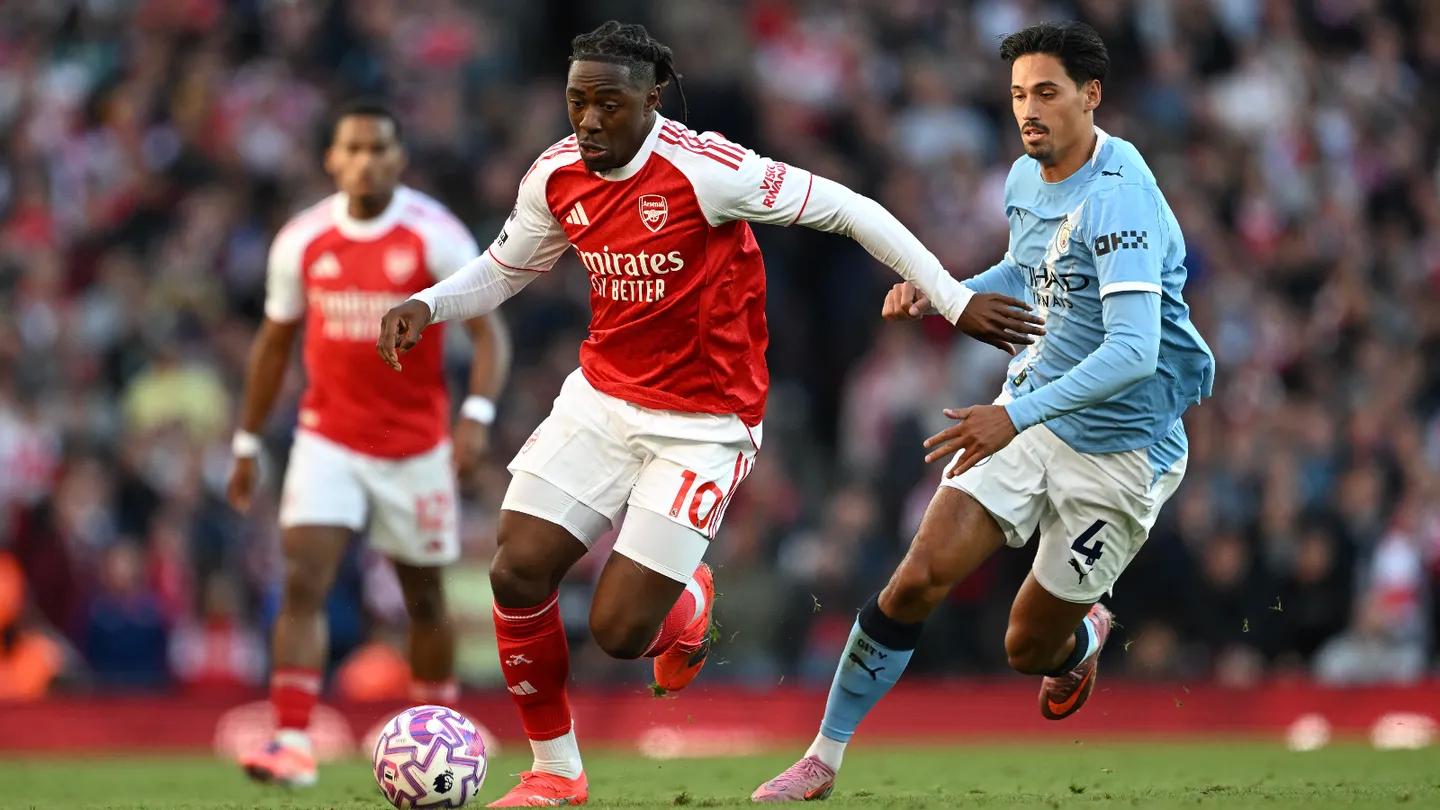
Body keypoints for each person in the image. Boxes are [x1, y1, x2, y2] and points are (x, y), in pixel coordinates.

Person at [377, 21, 1042, 807]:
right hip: (602, 398)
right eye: (577, 101)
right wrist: (428, 303)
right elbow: (507, 265)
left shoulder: (707, 171)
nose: (589, 120)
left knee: (621, 633)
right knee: (515, 569)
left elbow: (852, 209)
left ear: (651, 99)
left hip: (704, 424)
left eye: (609, 104)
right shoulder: (555, 174)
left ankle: (686, 601)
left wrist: (952, 299)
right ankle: (555, 771)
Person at [752, 21, 1216, 802]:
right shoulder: (1026, 178)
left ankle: (1083, 639)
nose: (1028, 110)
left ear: (1090, 96)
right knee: (916, 578)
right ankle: (822, 758)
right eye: (1018, 94)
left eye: (1046, 93)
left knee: (1028, 647)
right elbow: (1028, 273)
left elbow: (1136, 351)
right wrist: (944, 294)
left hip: (1123, 451)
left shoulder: (1121, 200)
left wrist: (1016, 417)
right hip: (1034, 410)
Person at [228, 100, 510, 788]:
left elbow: (489, 333)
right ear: (332, 159)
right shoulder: (302, 239)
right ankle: (292, 742)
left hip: (415, 447)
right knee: (303, 580)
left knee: (424, 600)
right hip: (327, 438)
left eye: (378, 148)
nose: (365, 161)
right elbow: (274, 344)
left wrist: (475, 415)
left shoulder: (434, 235)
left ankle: (440, 733)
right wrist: (246, 440)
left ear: (399, 157)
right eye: (352, 149)